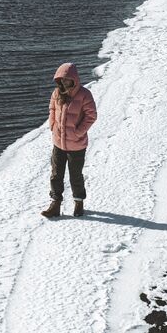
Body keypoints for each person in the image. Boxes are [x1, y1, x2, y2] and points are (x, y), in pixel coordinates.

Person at [41, 63, 97, 218]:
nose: (64, 82)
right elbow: (52, 109)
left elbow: (91, 116)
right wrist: (52, 125)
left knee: (75, 176)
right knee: (56, 174)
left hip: (76, 144)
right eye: (62, 79)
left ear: (74, 79)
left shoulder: (84, 94)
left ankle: (78, 202)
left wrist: (78, 132)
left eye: (67, 79)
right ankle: (55, 204)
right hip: (58, 142)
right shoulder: (56, 93)